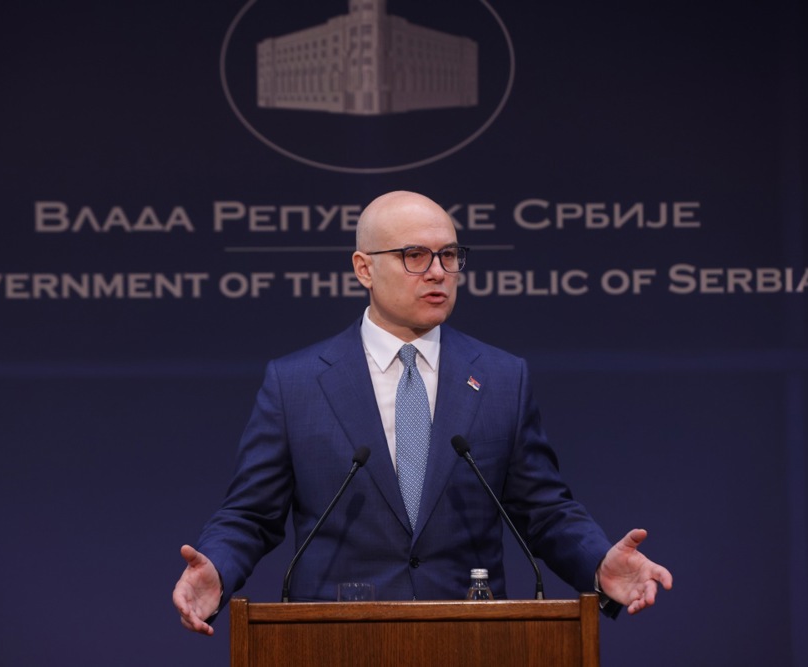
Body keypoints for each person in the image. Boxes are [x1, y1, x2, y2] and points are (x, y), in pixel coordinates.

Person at [173, 190, 673, 636]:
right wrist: (216, 567)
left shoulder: (502, 377)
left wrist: (599, 563)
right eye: (414, 255)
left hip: (473, 638)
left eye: (449, 255)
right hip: (335, 639)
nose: (438, 271)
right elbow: (251, 515)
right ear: (364, 268)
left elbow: (544, 511)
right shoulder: (296, 383)